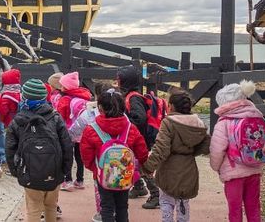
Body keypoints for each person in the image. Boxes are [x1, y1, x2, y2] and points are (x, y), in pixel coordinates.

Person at [6, 78, 73, 222]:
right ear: (44, 98)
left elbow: (10, 149)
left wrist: (15, 171)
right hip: (54, 173)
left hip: (29, 174)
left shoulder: (18, 121)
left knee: (33, 209)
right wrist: (65, 170)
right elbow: (67, 145)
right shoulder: (55, 118)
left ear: (24, 97)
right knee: (51, 206)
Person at [81, 89, 149, 222]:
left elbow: (86, 155)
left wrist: (95, 169)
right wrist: (141, 167)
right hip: (125, 174)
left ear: (100, 108)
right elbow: (142, 152)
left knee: (106, 206)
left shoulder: (91, 129)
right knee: (122, 206)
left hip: (103, 175)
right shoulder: (130, 128)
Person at [142, 91, 211, 222]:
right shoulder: (197, 124)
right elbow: (206, 144)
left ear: (172, 106)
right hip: (188, 167)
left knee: (166, 201)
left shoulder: (168, 123)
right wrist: (191, 152)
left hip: (169, 168)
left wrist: (148, 167)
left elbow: (161, 148)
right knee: (183, 203)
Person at [210, 81, 265, 222]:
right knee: (254, 207)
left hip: (233, 173)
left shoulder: (224, 122)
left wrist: (215, 166)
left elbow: (217, 149)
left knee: (235, 209)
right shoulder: (255, 116)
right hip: (254, 169)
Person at [117, 65, 160, 209]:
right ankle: (138, 186)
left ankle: (155, 195)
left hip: (138, 139)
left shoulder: (133, 98)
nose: (117, 82)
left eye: (119, 80)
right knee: (131, 162)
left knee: (142, 166)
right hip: (137, 137)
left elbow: (139, 118)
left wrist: (125, 121)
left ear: (125, 82)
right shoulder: (132, 96)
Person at [56, 71, 92, 191]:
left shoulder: (65, 99)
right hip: (81, 131)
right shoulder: (84, 96)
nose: (60, 87)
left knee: (67, 155)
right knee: (79, 156)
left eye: (62, 85)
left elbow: (61, 117)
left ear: (66, 87)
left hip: (68, 131)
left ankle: (68, 180)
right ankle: (80, 180)